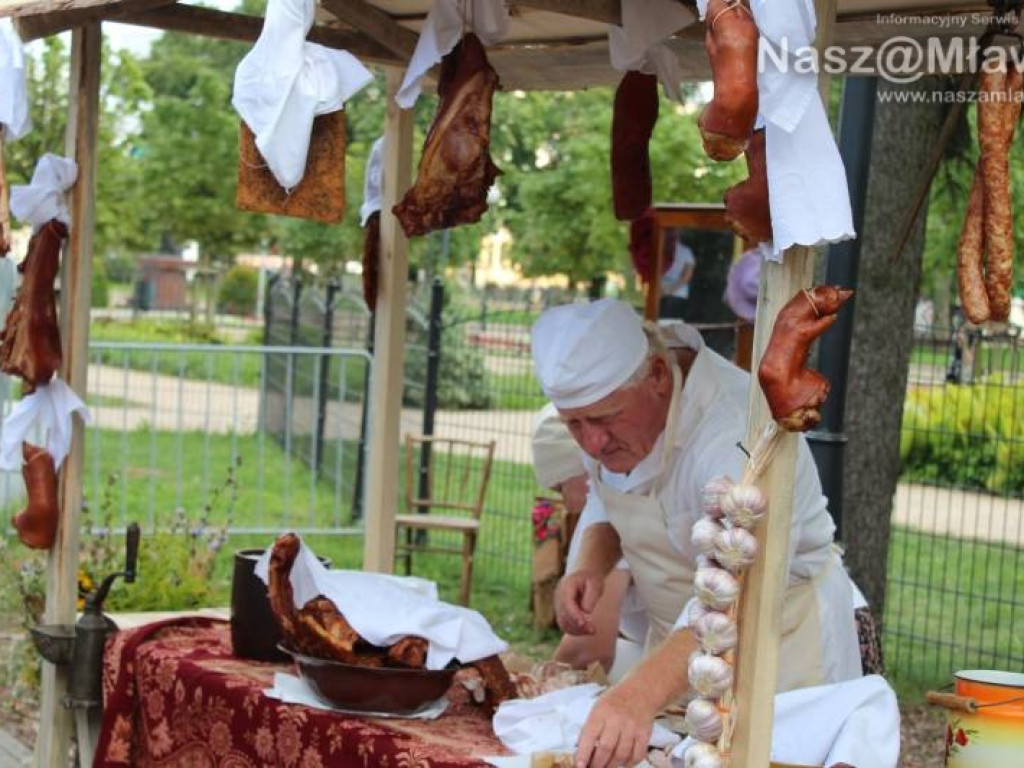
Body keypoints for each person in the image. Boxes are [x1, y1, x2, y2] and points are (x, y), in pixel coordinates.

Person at [530, 299, 861, 768]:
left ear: (659, 377)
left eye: (603, 420)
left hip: (779, 655)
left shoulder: (734, 433)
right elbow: (608, 495)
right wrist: (589, 564)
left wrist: (637, 694)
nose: (592, 442)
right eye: (573, 424)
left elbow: (737, 592)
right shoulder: (609, 413)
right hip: (680, 662)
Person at [532, 404, 647, 683]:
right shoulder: (621, 492)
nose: (567, 505)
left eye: (561, 489)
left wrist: (531, 693)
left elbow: (588, 650)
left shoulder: (615, 503)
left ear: (583, 473)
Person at [658, 235, 695, 320]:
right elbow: (687, 275)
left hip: (662, 291)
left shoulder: (660, 249)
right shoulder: (686, 252)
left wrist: (664, 289)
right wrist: (672, 289)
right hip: (677, 292)